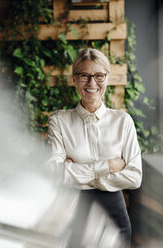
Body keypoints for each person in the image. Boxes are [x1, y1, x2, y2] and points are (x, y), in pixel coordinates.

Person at [46, 48, 142, 247]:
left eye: (99, 76)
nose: (92, 83)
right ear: (74, 79)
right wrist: (107, 166)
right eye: (84, 76)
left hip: (114, 215)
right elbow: (54, 173)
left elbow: (134, 177)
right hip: (72, 212)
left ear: (107, 78)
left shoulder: (123, 121)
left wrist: (74, 172)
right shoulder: (59, 120)